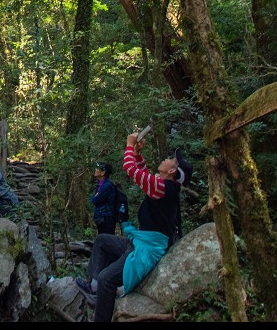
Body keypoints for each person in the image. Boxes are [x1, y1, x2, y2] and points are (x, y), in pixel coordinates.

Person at [75, 132, 192, 323]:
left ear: (171, 171)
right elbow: (143, 173)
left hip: (146, 250)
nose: (167, 158)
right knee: (102, 241)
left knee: (107, 279)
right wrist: (137, 153)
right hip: (139, 242)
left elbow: (131, 169)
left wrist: (129, 145)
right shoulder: (163, 186)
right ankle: (94, 287)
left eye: (171, 160)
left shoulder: (163, 188)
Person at [90, 162, 117, 235]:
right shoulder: (100, 184)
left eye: (97, 169)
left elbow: (95, 200)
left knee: (107, 240)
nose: (95, 170)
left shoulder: (107, 186)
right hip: (102, 217)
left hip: (107, 218)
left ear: (103, 173)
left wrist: (93, 198)